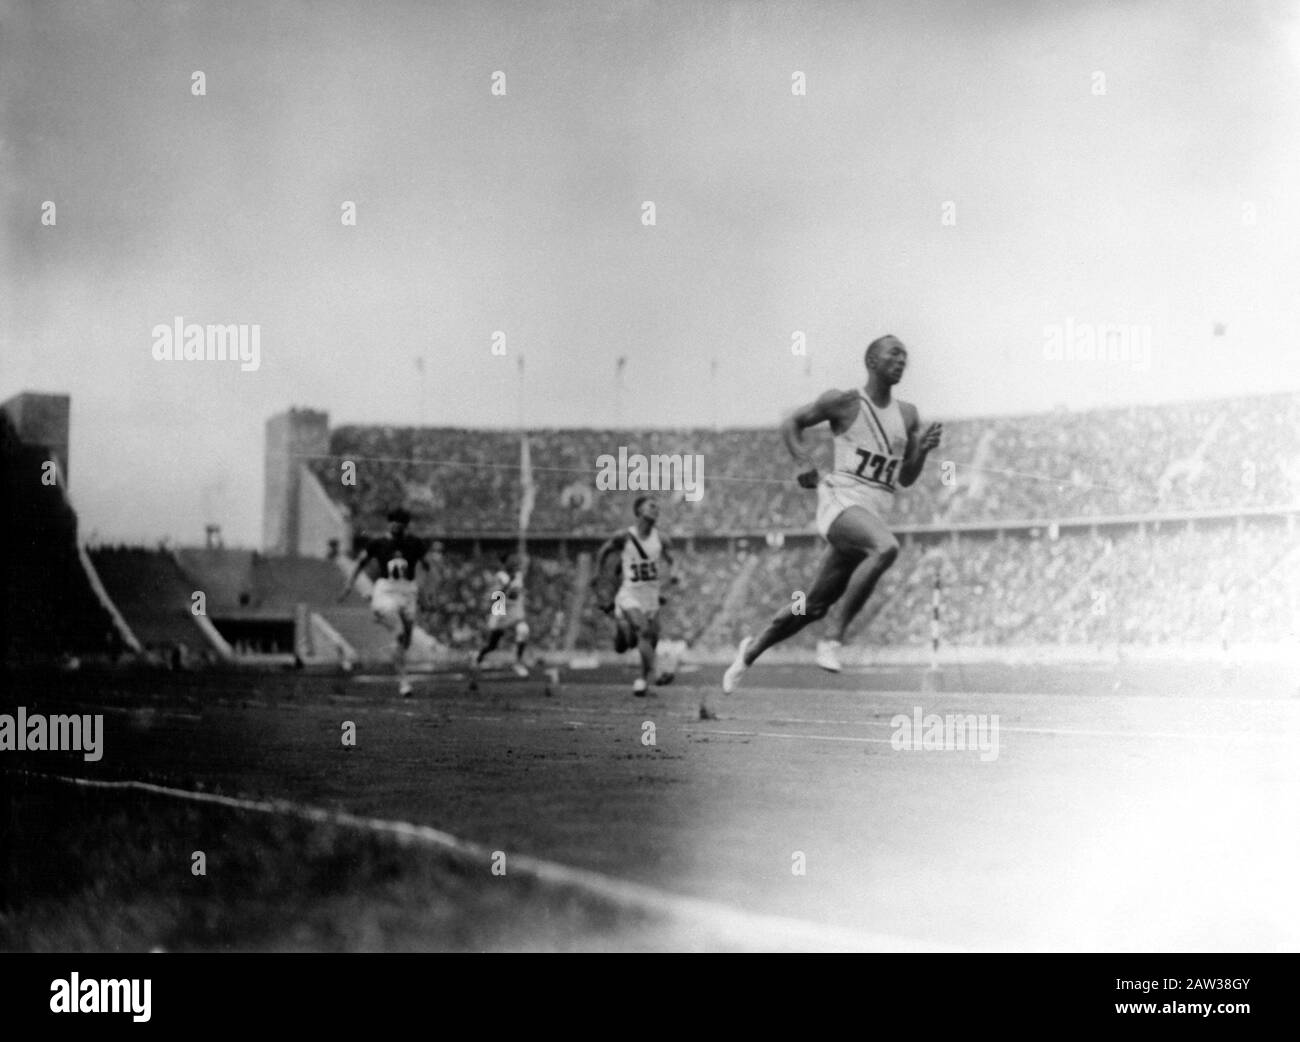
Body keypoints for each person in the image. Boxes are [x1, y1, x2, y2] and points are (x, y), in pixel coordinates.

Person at [707, 335, 942, 716]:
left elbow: (908, 477)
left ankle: (748, 653)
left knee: (811, 606)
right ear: (871, 360)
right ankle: (833, 638)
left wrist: (923, 451)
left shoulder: (909, 414)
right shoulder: (844, 401)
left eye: (906, 355)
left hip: (870, 512)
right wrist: (802, 461)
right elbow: (792, 423)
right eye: (893, 353)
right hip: (839, 502)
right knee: (887, 548)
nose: (902, 359)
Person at [339, 507, 430, 697]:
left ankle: (393, 646)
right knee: (399, 634)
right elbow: (359, 563)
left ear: (406, 525)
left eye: (400, 522)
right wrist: (349, 586)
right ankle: (404, 682)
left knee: (406, 640)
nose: (396, 524)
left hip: (408, 590)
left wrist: (423, 592)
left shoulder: (414, 543)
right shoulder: (378, 543)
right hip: (387, 589)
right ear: (389, 523)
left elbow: (425, 566)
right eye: (393, 521)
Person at [593, 496, 676, 696]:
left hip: (652, 596)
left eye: (658, 507)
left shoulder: (662, 539)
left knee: (648, 639)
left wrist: (670, 581)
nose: (656, 510)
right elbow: (604, 551)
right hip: (630, 593)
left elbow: (672, 562)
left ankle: (641, 679)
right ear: (639, 510)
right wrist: (598, 575)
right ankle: (657, 674)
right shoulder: (624, 536)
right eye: (652, 506)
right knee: (643, 630)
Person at [474, 552, 531, 678]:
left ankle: (518, 662)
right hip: (503, 613)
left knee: (523, 630)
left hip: (516, 612)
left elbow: (517, 592)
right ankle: (479, 658)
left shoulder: (519, 575)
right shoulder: (500, 577)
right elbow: (498, 596)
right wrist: (508, 585)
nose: (515, 566)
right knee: (493, 645)